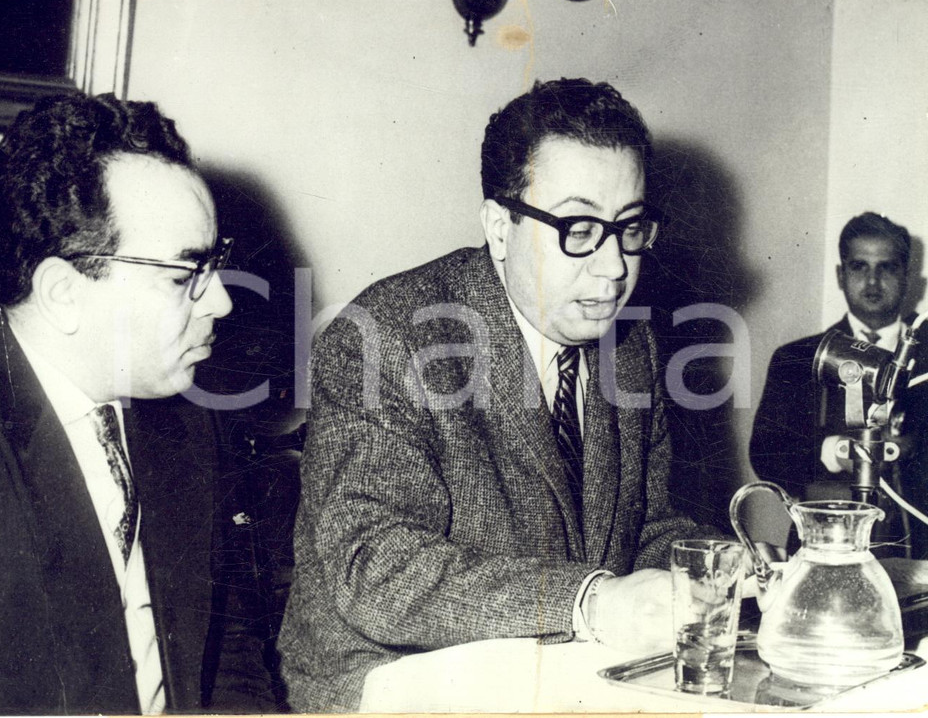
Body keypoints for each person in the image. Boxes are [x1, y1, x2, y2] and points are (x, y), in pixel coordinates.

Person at [277, 79, 715, 712]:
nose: (615, 266)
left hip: (564, 672)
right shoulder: (385, 337)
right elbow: (375, 567)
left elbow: (645, 524)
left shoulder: (632, 346)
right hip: (394, 682)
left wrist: (719, 568)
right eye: (580, 227)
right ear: (500, 226)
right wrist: (588, 601)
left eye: (629, 227)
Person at [0, 93, 280, 714]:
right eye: (183, 277)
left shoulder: (182, 408)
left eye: (214, 267)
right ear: (64, 292)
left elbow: (223, 649)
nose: (222, 303)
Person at [750, 213, 922, 554]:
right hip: (824, 548)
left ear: (907, 277)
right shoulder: (797, 357)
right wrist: (835, 452)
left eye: (886, 268)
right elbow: (766, 454)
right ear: (841, 276)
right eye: (859, 267)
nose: (873, 282)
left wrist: (910, 449)